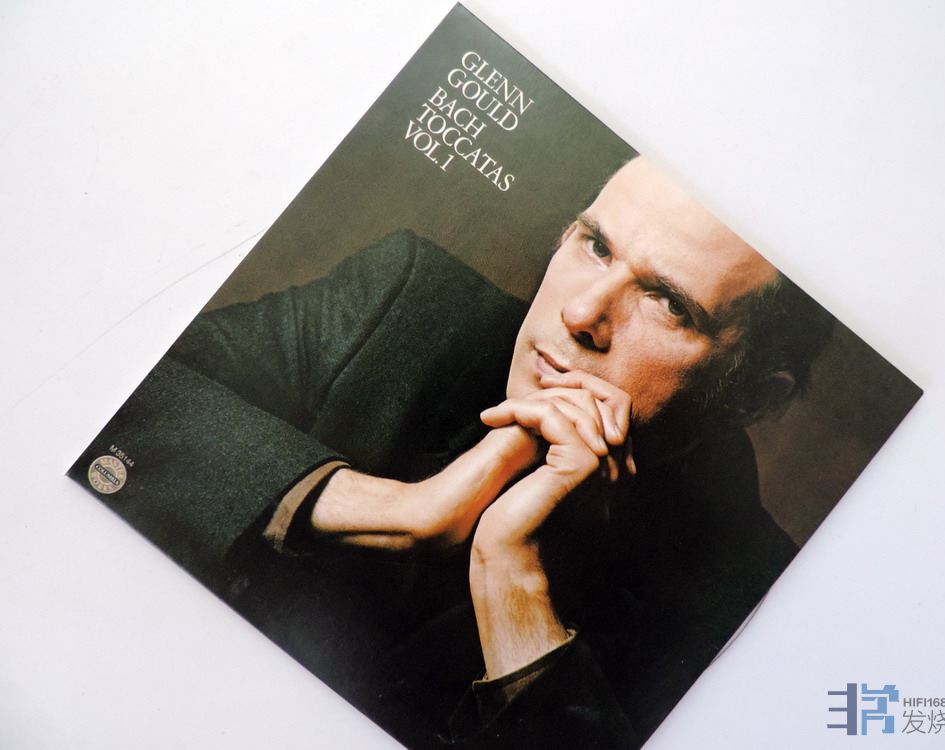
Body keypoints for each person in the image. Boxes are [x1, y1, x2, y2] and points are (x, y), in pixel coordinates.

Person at [70, 157, 831, 749]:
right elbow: (101, 398)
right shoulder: (407, 305)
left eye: (668, 304)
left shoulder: (762, 609)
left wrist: (514, 589)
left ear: (751, 396)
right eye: (595, 245)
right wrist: (396, 511)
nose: (581, 312)